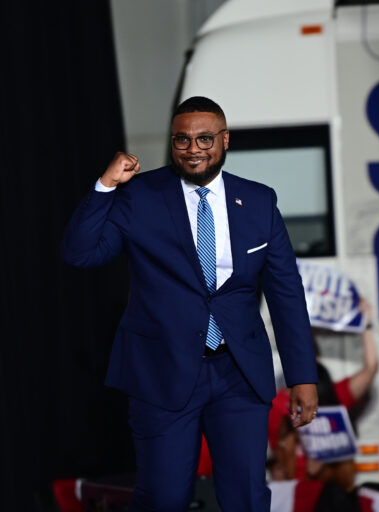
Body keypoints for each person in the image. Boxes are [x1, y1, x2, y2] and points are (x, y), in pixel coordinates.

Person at [61, 96, 319, 511]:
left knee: (248, 498)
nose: (193, 149)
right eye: (182, 140)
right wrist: (105, 185)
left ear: (225, 140)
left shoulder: (258, 200)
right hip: (161, 372)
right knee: (164, 498)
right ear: (172, 143)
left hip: (239, 371)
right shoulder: (140, 195)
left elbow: (286, 293)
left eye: (204, 139)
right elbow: (80, 253)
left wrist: (302, 375)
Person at [270, 298, 379, 491]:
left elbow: (370, 368)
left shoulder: (333, 394)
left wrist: (366, 323)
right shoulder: (273, 402)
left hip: (329, 497)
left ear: (317, 361)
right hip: (290, 496)